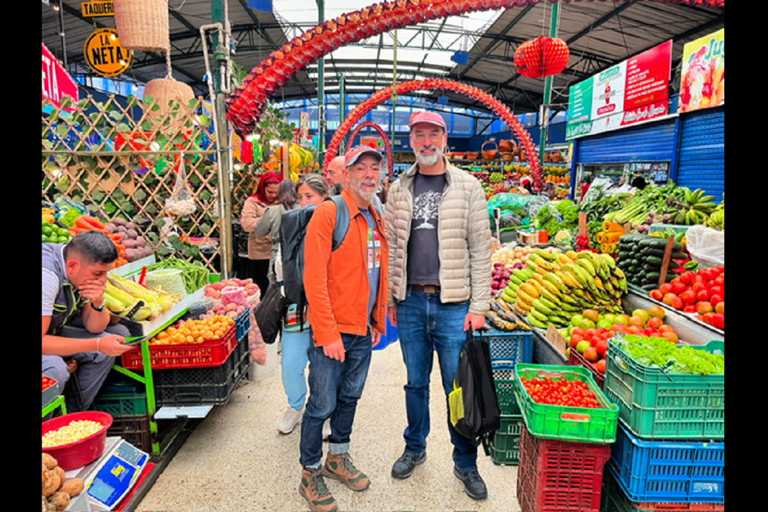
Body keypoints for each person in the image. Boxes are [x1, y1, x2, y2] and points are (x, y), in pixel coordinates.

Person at [384, 111, 493, 500]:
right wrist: (391, 297)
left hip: (453, 305)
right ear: (411, 140)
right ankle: (415, 447)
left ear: (445, 139)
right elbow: (392, 248)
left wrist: (479, 305)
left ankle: (465, 462)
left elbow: (481, 248)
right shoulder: (398, 188)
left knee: (456, 386)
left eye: (433, 134)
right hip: (411, 302)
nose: (427, 141)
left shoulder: (467, 186)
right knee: (415, 382)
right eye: (419, 135)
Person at [298, 145, 389, 512]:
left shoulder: (375, 216)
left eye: (374, 168)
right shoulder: (330, 212)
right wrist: (328, 333)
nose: (368, 174)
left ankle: (337, 457)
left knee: (350, 397)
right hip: (332, 331)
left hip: (362, 329)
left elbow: (376, 272)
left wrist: (377, 319)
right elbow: (314, 278)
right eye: (360, 168)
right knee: (321, 404)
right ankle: (310, 472)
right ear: (346, 175)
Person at [42, 230, 135, 413]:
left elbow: (94, 328)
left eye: (106, 273)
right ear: (73, 265)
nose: (103, 280)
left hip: (53, 331)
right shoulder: (46, 277)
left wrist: (98, 302)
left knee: (118, 334)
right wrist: (98, 344)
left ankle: (74, 414)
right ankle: (49, 427)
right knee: (55, 368)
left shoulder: (78, 268)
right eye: (98, 273)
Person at [275, 174, 333, 438]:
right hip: (297, 308)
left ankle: (326, 412)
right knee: (291, 362)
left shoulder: (336, 225)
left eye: (310, 197)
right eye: (301, 197)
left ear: (324, 198)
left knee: (326, 366)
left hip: (328, 308)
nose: (304, 203)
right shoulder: (290, 225)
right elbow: (278, 265)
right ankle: (296, 405)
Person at [240, 171, 281, 297]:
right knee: (264, 286)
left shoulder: (283, 201)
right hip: (260, 251)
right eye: (270, 192)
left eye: (276, 192)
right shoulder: (253, 201)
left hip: (279, 249)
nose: (273, 195)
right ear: (263, 189)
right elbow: (246, 223)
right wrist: (268, 220)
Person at [254, 179, 298, 286]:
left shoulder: (273, 211)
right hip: (300, 255)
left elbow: (259, 231)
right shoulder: (305, 208)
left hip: (278, 254)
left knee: (277, 286)